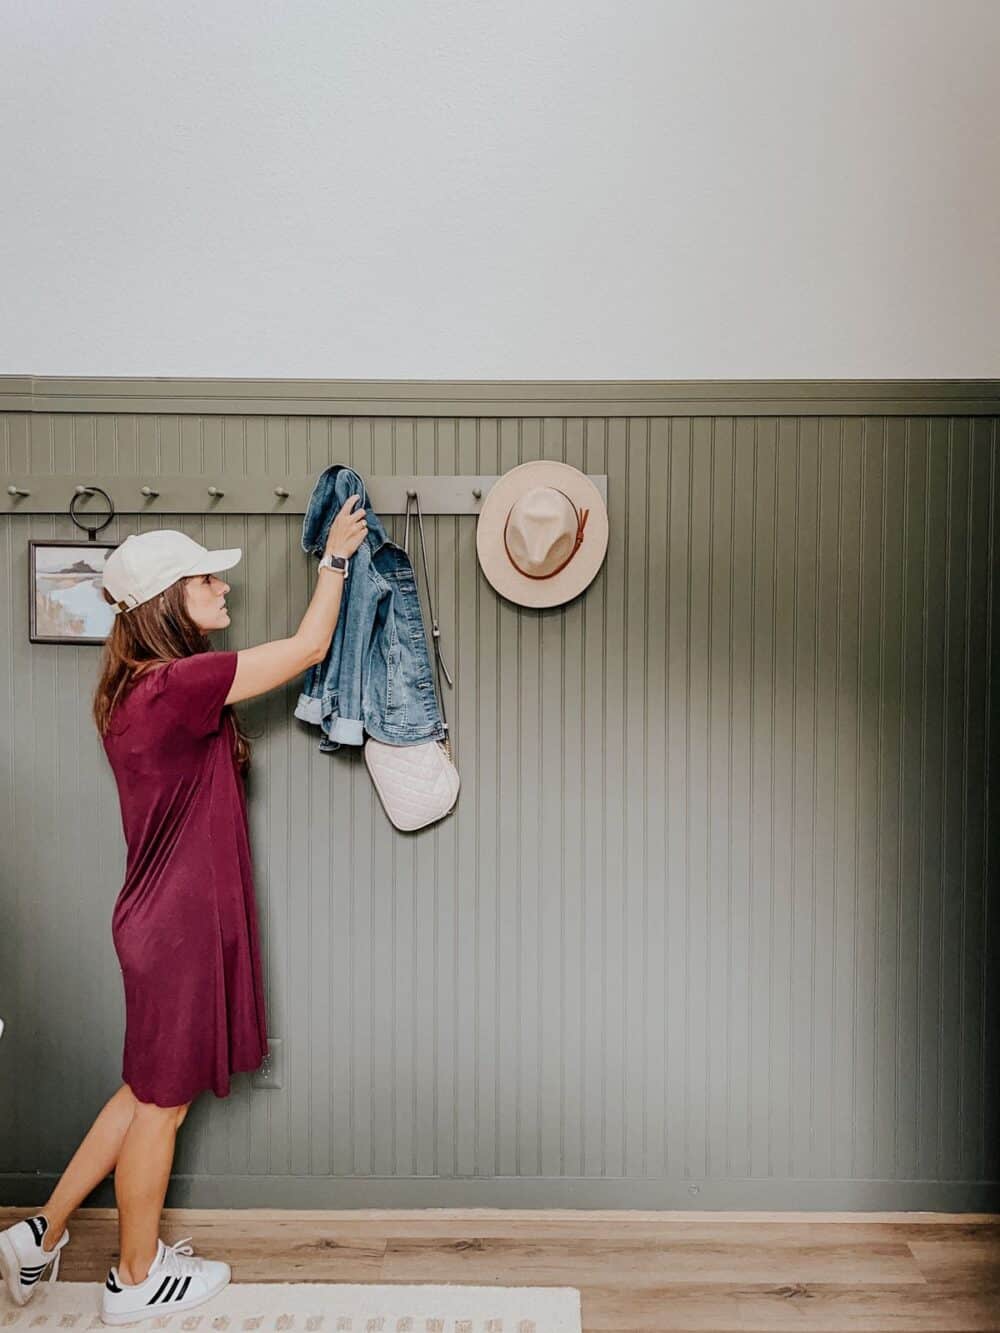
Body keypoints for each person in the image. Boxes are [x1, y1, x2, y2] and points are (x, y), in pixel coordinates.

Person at [0, 494, 368, 1325]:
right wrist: (335, 561)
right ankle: (135, 1277)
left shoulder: (132, 692)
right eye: (210, 579)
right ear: (172, 595)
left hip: (153, 924)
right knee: (160, 1108)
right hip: (176, 932)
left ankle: (39, 1232)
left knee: (141, 1091)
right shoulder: (179, 685)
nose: (224, 593)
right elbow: (311, 646)